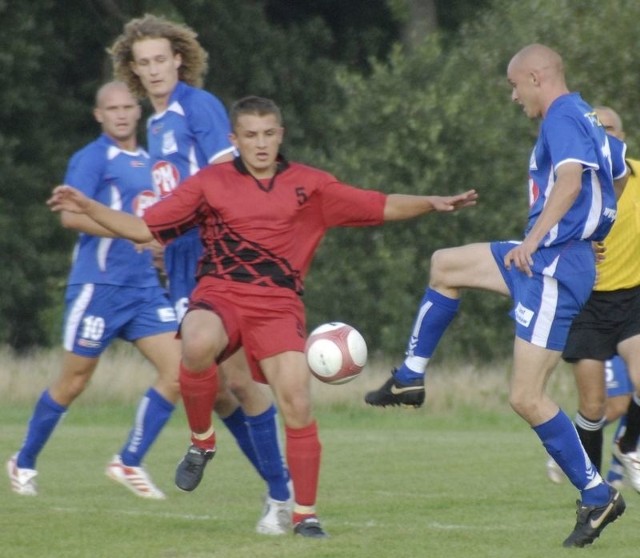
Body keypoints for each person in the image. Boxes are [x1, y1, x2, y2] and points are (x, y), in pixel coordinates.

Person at [47, 95, 478, 537]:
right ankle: (202, 442)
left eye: (269, 134)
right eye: (250, 135)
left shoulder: (311, 186)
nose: (260, 144)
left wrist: (431, 201)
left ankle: (305, 515)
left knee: (297, 399)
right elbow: (143, 228)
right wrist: (87, 205)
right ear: (234, 139)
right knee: (195, 342)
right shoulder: (209, 183)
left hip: (277, 305)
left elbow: (379, 204)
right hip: (220, 293)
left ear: (281, 135)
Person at [364, 44, 628, 547]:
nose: (512, 96)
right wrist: (595, 227)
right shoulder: (589, 118)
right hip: (549, 256)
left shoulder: (562, 115)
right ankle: (409, 379)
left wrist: (545, 238)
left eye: (513, 85)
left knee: (526, 396)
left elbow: (571, 182)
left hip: (550, 264)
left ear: (535, 77)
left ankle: (597, 496)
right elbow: (618, 171)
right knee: (446, 265)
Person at [110, 14, 292, 535]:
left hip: (221, 258)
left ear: (179, 60)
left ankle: (283, 495)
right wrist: (166, 240)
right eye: (142, 63)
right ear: (134, 70)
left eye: (161, 59)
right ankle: (279, 490)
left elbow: (232, 176)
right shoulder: (157, 123)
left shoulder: (199, 107)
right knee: (214, 387)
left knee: (231, 377)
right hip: (186, 260)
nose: (153, 69)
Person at [6, 81, 181, 500]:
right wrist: (131, 234)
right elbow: (69, 216)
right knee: (74, 382)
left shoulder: (154, 162)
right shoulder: (90, 158)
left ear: (138, 112)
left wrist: (161, 248)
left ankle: (129, 461)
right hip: (98, 289)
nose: (121, 114)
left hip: (143, 291)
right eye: (112, 108)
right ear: (98, 115)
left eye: (127, 107)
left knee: (183, 371)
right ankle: (23, 461)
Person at [545, 105, 640, 489]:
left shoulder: (635, 173)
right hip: (586, 304)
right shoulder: (573, 183)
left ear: (623, 137)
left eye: (612, 130)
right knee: (594, 406)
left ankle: (629, 445)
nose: (608, 138)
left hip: (633, 297)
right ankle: (593, 488)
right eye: (599, 132)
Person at [547, 355, 633, 486]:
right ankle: (567, 450)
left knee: (633, 406)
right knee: (616, 406)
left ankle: (616, 475)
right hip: (615, 345)